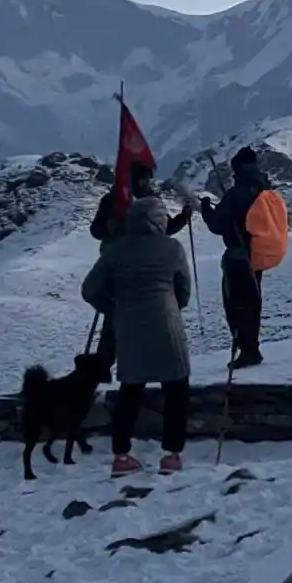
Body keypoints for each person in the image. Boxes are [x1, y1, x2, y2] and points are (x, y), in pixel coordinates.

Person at [80, 197, 193, 475]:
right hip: (167, 324)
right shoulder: (172, 247)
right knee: (176, 390)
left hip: (129, 327)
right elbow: (184, 290)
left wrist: (115, 308)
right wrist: (171, 307)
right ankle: (171, 455)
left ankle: (121, 456)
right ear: (159, 220)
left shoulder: (116, 250)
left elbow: (89, 290)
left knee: (130, 392)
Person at [200, 146, 271, 368]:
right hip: (257, 254)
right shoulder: (263, 189)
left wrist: (205, 210)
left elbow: (217, 225)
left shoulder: (237, 193)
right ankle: (252, 347)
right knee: (253, 302)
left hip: (238, 258)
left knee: (237, 303)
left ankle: (247, 350)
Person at [89, 160, 193, 242]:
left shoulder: (153, 202)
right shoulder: (113, 200)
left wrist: (184, 217)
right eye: (144, 180)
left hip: (147, 259)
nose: (147, 183)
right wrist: (107, 226)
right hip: (118, 258)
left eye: (147, 180)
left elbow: (167, 228)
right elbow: (95, 231)